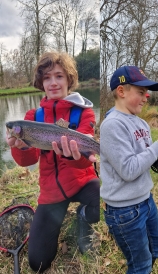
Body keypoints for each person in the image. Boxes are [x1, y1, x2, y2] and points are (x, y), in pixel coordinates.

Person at [6, 52, 100, 273]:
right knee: (38, 263)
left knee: (104, 198)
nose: (53, 82)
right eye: (47, 77)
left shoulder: (84, 112)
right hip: (51, 193)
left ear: (69, 79)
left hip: (82, 183)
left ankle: (83, 219)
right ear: (41, 83)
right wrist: (18, 146)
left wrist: (72, 155)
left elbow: (87, 162)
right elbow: (27, 160)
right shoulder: (32, 117)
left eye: (59, 76)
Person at [100, 66, 158, 273]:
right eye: (141, 92)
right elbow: (128, 170)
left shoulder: (142, 124)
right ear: (121, 91)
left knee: (156, 247)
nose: (146, 97)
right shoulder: (112, 125)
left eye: (147, 93)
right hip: (124, 211)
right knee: (140, 264)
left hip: (146, 200)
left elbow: (142, 158)